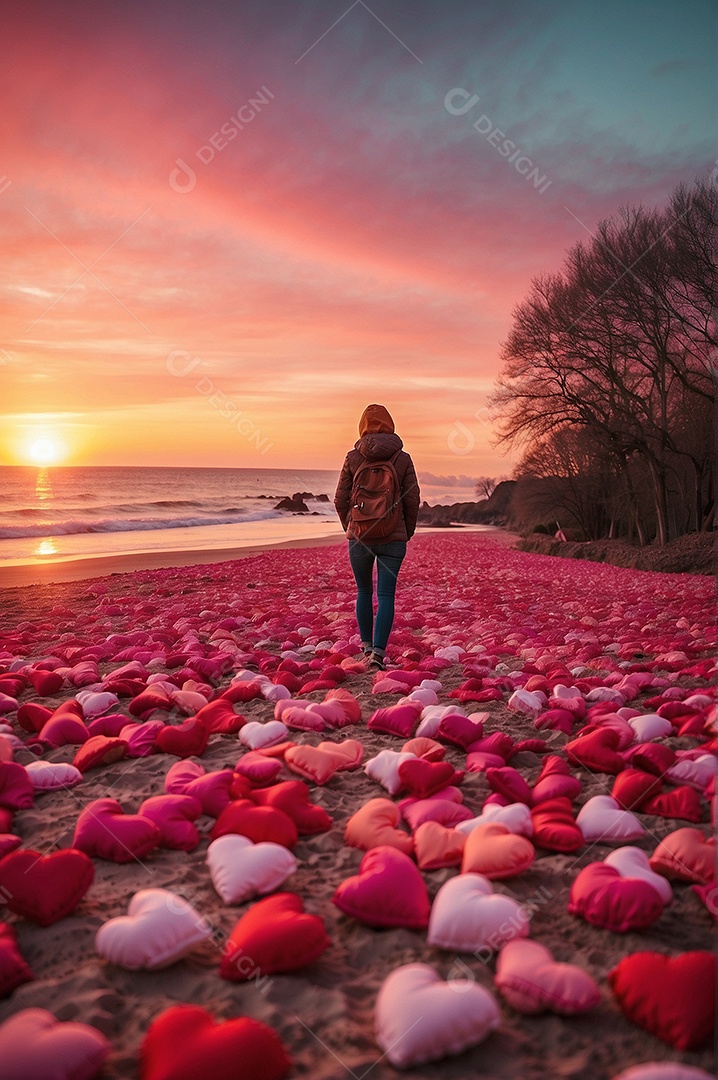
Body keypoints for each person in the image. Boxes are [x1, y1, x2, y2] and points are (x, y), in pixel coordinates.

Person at [334, 404, 420, 670]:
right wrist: (406, 531)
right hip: (393, 537)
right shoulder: (402, 458)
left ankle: (367, 646)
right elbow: (413, 499)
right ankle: (378, 656)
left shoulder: (352, 457)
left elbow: (339, 499)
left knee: (363, 590)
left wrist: (350, 527)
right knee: (385, 596)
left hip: (360, 535)